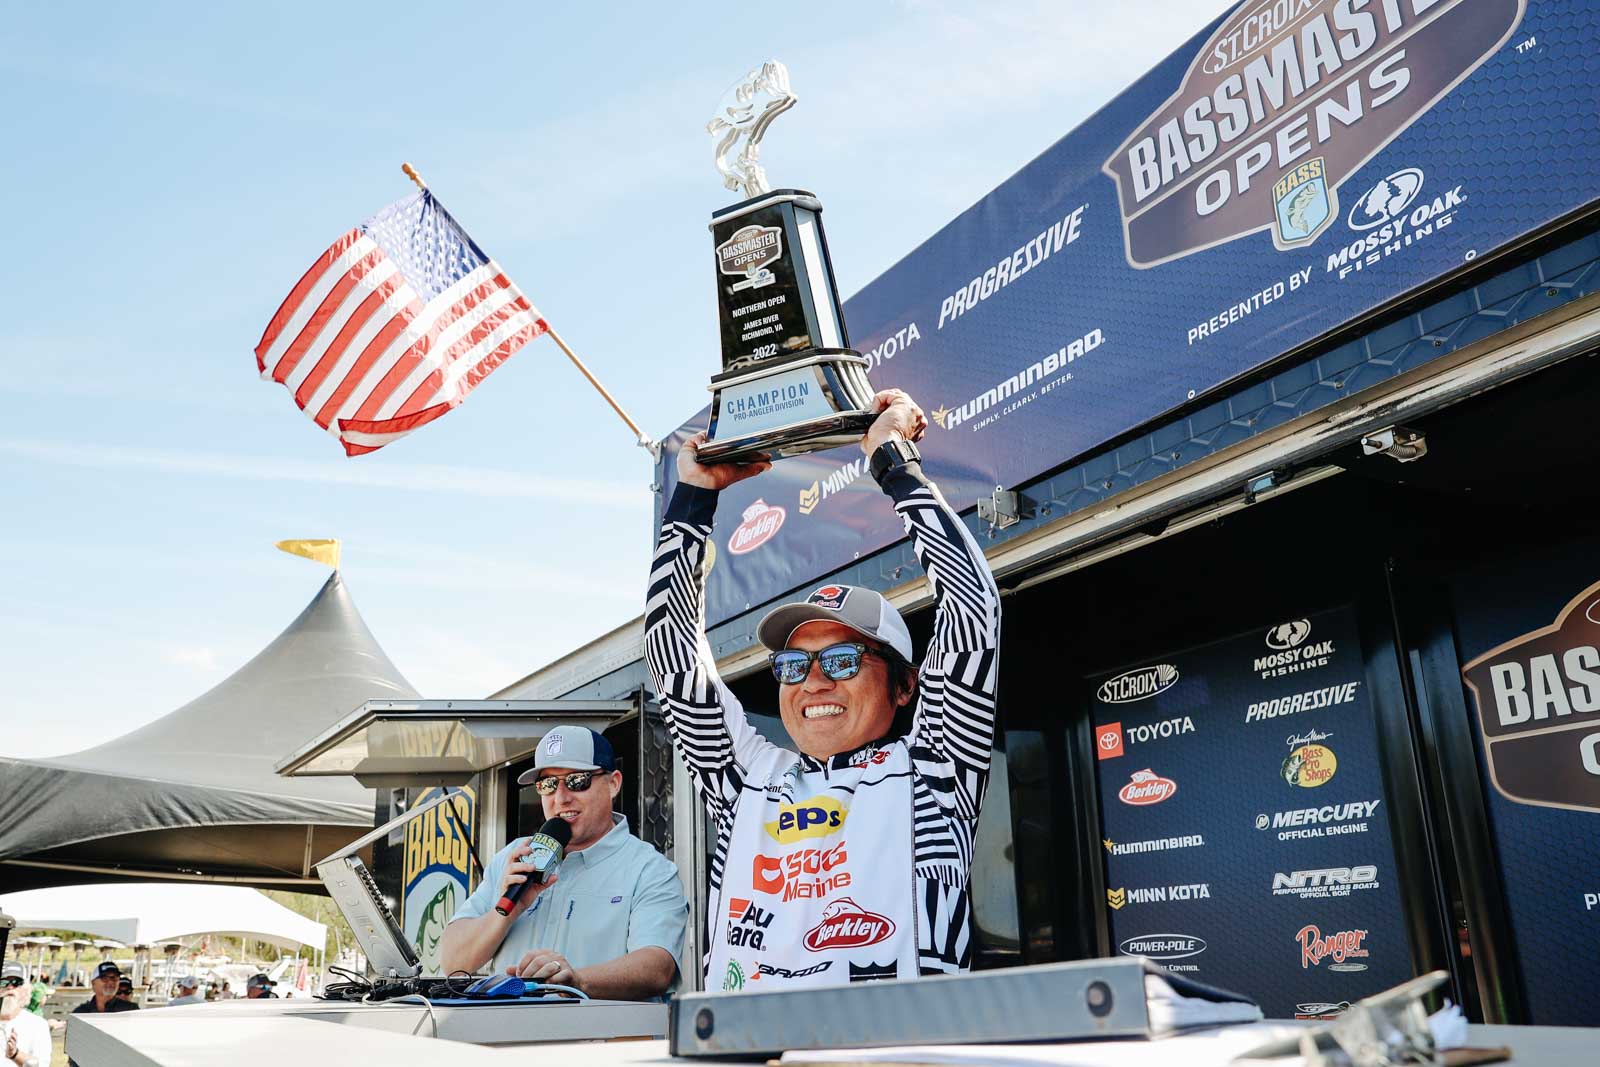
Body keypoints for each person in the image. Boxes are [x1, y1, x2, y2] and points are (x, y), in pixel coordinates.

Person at [645, 389, 1001, 989]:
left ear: (905, 686)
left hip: (900, 1041)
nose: (813, 681)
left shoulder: (936, 769)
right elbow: (672, 656)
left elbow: (973, 607)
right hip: (743, 1040)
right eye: (792, 665)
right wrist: (692, 502)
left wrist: (893, 462)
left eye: (841, 659)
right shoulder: (744, 780)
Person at [440, 726, 688, 999]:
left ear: (613, 783)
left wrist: (577, 982)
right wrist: (507, 912)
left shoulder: (650, 869)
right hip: (503, 1027)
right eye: (548, 784)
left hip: (597, 1027)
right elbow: (453, 962)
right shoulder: (516, 855)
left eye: (577, 781)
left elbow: (657, 967)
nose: (561, 798)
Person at [1, 963, 50, 1067]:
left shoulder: (38, 1025)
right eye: (3, 982)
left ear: (26, 990)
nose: (10, 987)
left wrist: (15, 1054)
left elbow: (41, 1065)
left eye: (17, 982)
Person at [72, 963, 138, 1017]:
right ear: (93, 983)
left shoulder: (130, 1010)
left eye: (115, 978)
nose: (111, 982)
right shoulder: (81, 1013)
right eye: (105, 978)